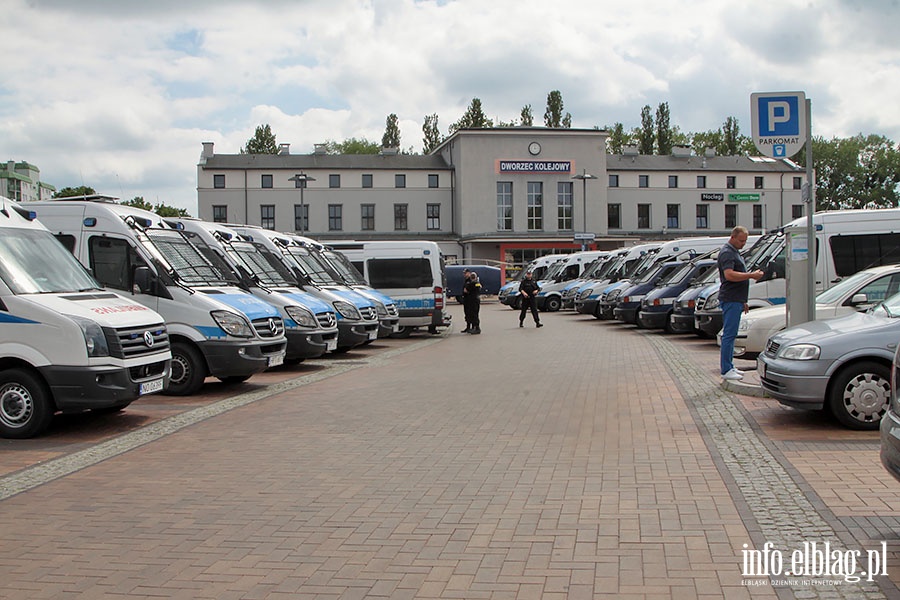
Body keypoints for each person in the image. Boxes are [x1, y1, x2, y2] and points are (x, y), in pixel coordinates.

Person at [718, 226, 764, 380]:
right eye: (741, 240)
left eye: (745, 241)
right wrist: (751, 275)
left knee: (732, 334)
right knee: (729, 335)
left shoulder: (734, 252)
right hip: (730, 298)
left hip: (735, 299)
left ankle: (730, 365)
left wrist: (743, 300)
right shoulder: (727, 253)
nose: (743, 243)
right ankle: (726, 369)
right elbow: (729, 275)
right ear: (733, 237)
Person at [463, 269, 482, 334]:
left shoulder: (471, 284)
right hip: (475, 300)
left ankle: (476, 328)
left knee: (474, 314)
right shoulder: (477, 283)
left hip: (473, 301)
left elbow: (466, 290)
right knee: (474, 314)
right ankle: (475, 328)